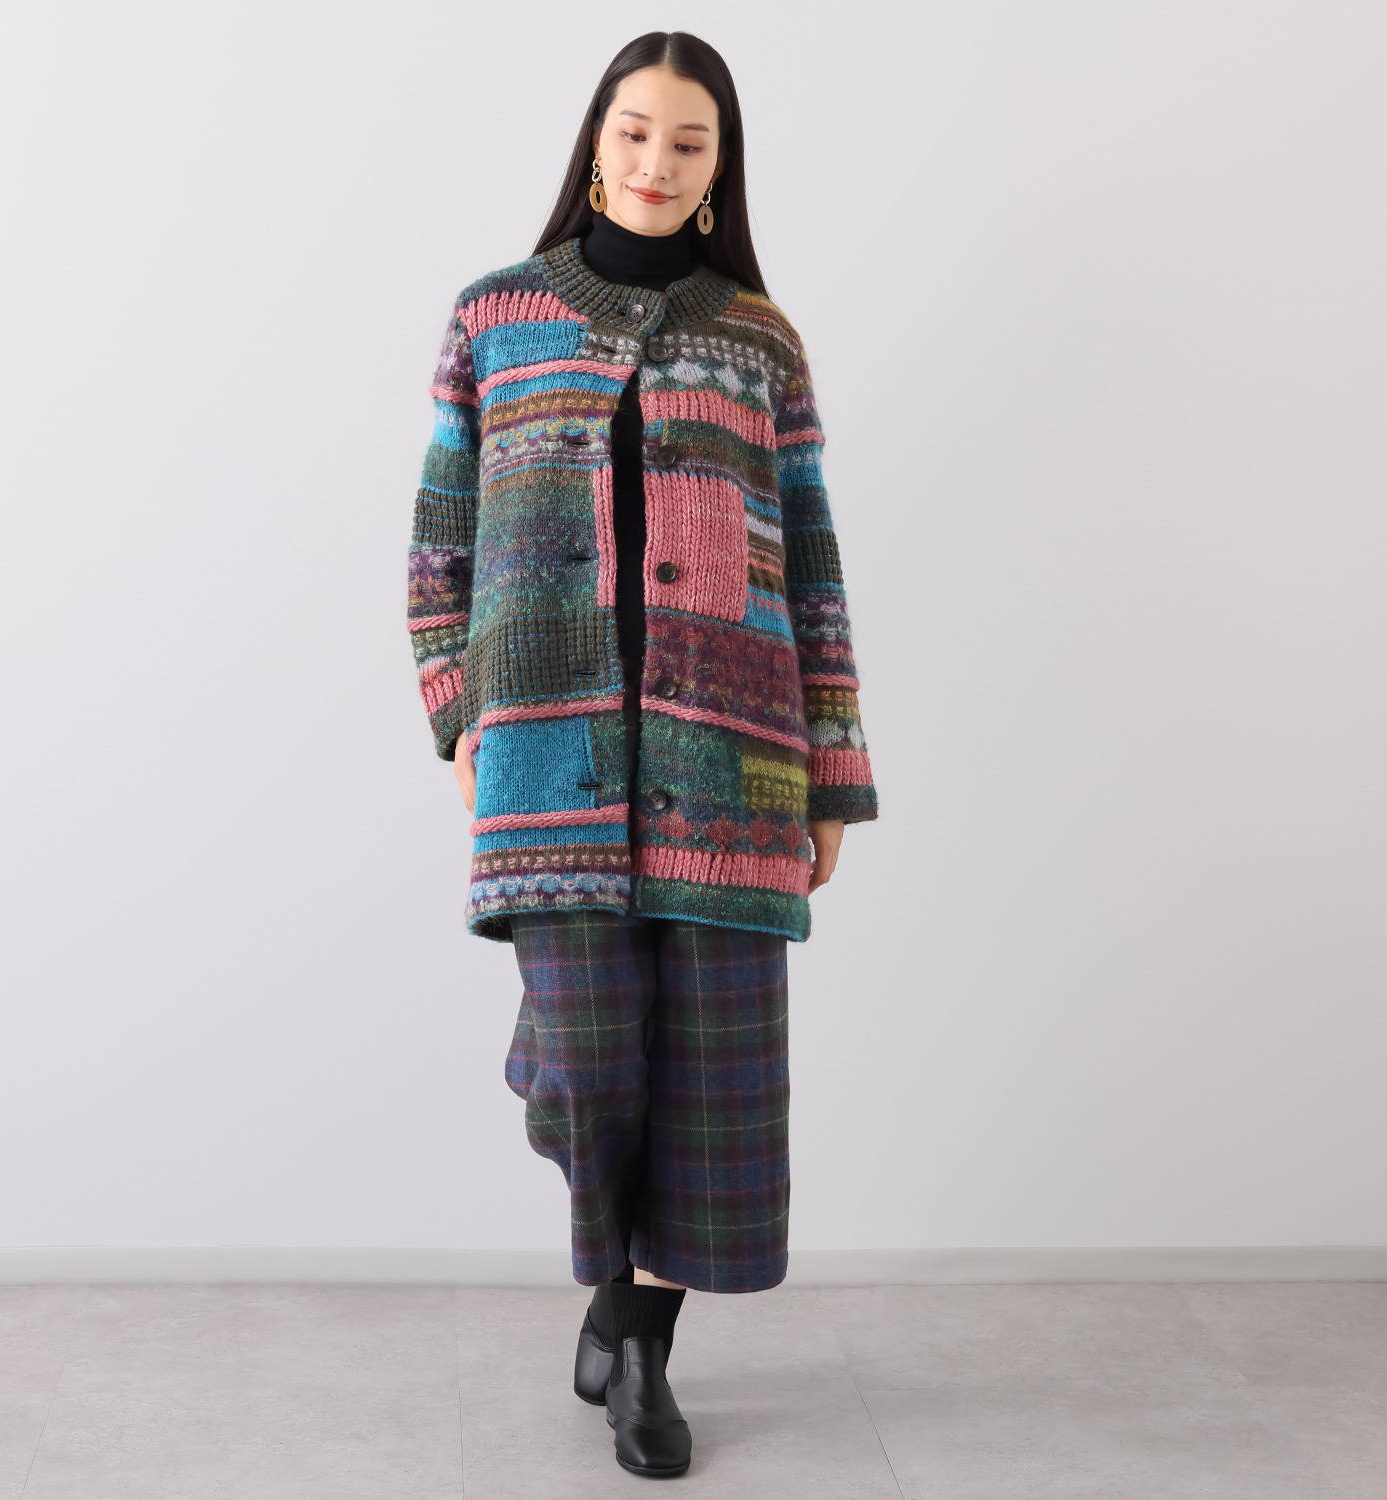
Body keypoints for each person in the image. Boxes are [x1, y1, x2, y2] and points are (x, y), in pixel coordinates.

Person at [406, 30, 877, 1479]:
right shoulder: (498, 316)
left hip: (735, 759)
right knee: (587, 1066)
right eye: (634, 132)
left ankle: (640, 1347)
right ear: (595, 142)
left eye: (688, 141)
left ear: (719, 165)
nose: (657, 162)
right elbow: (440, 537)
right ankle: (617, 1292)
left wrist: (835, 772)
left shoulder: (759, 337)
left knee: (714, 1089)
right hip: (547, 757)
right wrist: (458, 709)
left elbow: (810, 564)